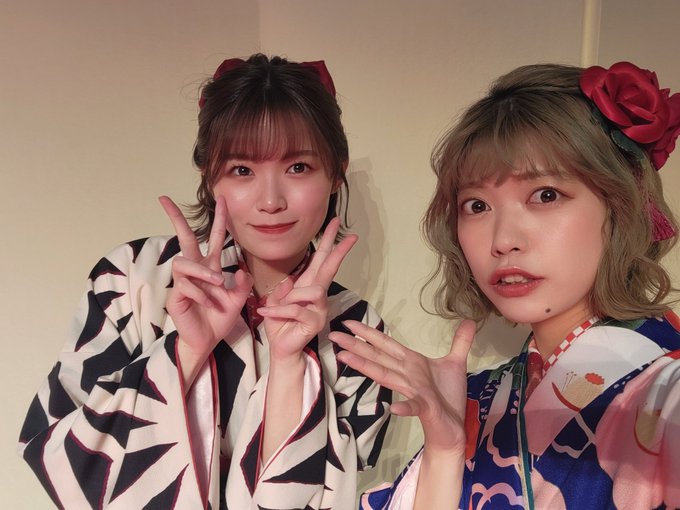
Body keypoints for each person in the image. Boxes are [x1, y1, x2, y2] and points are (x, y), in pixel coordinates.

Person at [18, 54, 391, 510]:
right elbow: (62, 460)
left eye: (298, 167)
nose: (271, 200)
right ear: (209, 176)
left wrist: (289, 365)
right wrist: (185, 352)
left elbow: (327, 498)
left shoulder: (358, 335)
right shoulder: (135, 278)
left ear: (336, 173)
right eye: (242, 170)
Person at [330, 61, 680, 509]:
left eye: (546, 195)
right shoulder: (477, 396)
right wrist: (445, 451)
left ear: (620, 206)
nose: (503, 240)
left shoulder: (665, 393)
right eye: (476, 205)